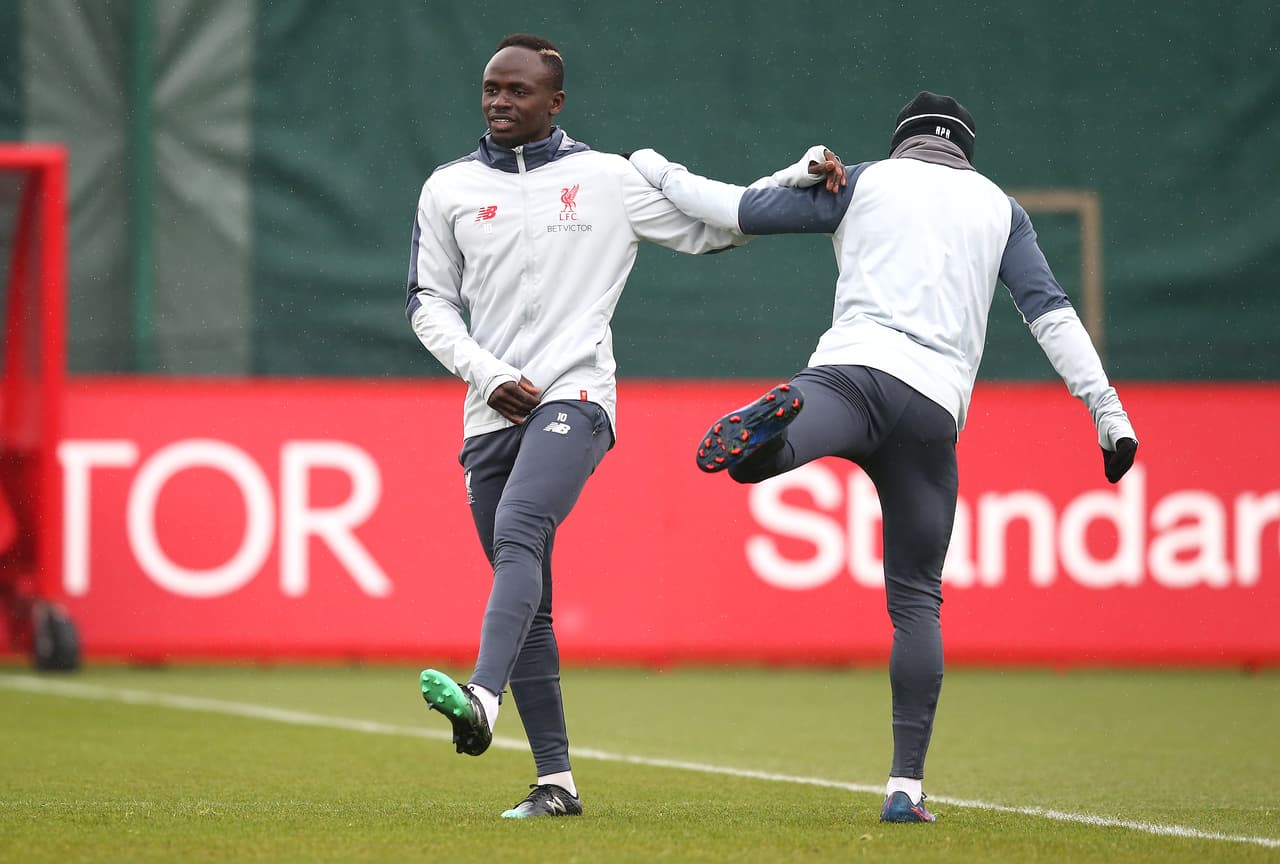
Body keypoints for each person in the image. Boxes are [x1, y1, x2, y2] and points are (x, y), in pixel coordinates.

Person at [628, 91, 1139, 824]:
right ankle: (906, 786)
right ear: (964, 150)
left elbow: (731, 209)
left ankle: (765, 438)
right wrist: (1107, 412)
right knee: (916, 599)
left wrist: (652, 164)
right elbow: (1050, 311)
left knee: (765, 455)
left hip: (850, 375)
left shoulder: (860, 180)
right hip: (931, 411)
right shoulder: (1000, 210)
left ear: (903, 143)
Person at [404, 33, 837, 819]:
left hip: (576, 396)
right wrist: (488, 373)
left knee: (521, 529)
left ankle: (481, 696)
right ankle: (556, 784)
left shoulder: (607, 180)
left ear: (555, 103)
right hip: (488, 407)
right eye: (490, 89)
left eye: (517, 91)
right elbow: (427, 302)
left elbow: (718, 221)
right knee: (526, 592)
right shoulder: (448, 188)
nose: (499, 102)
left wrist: (798, 176)